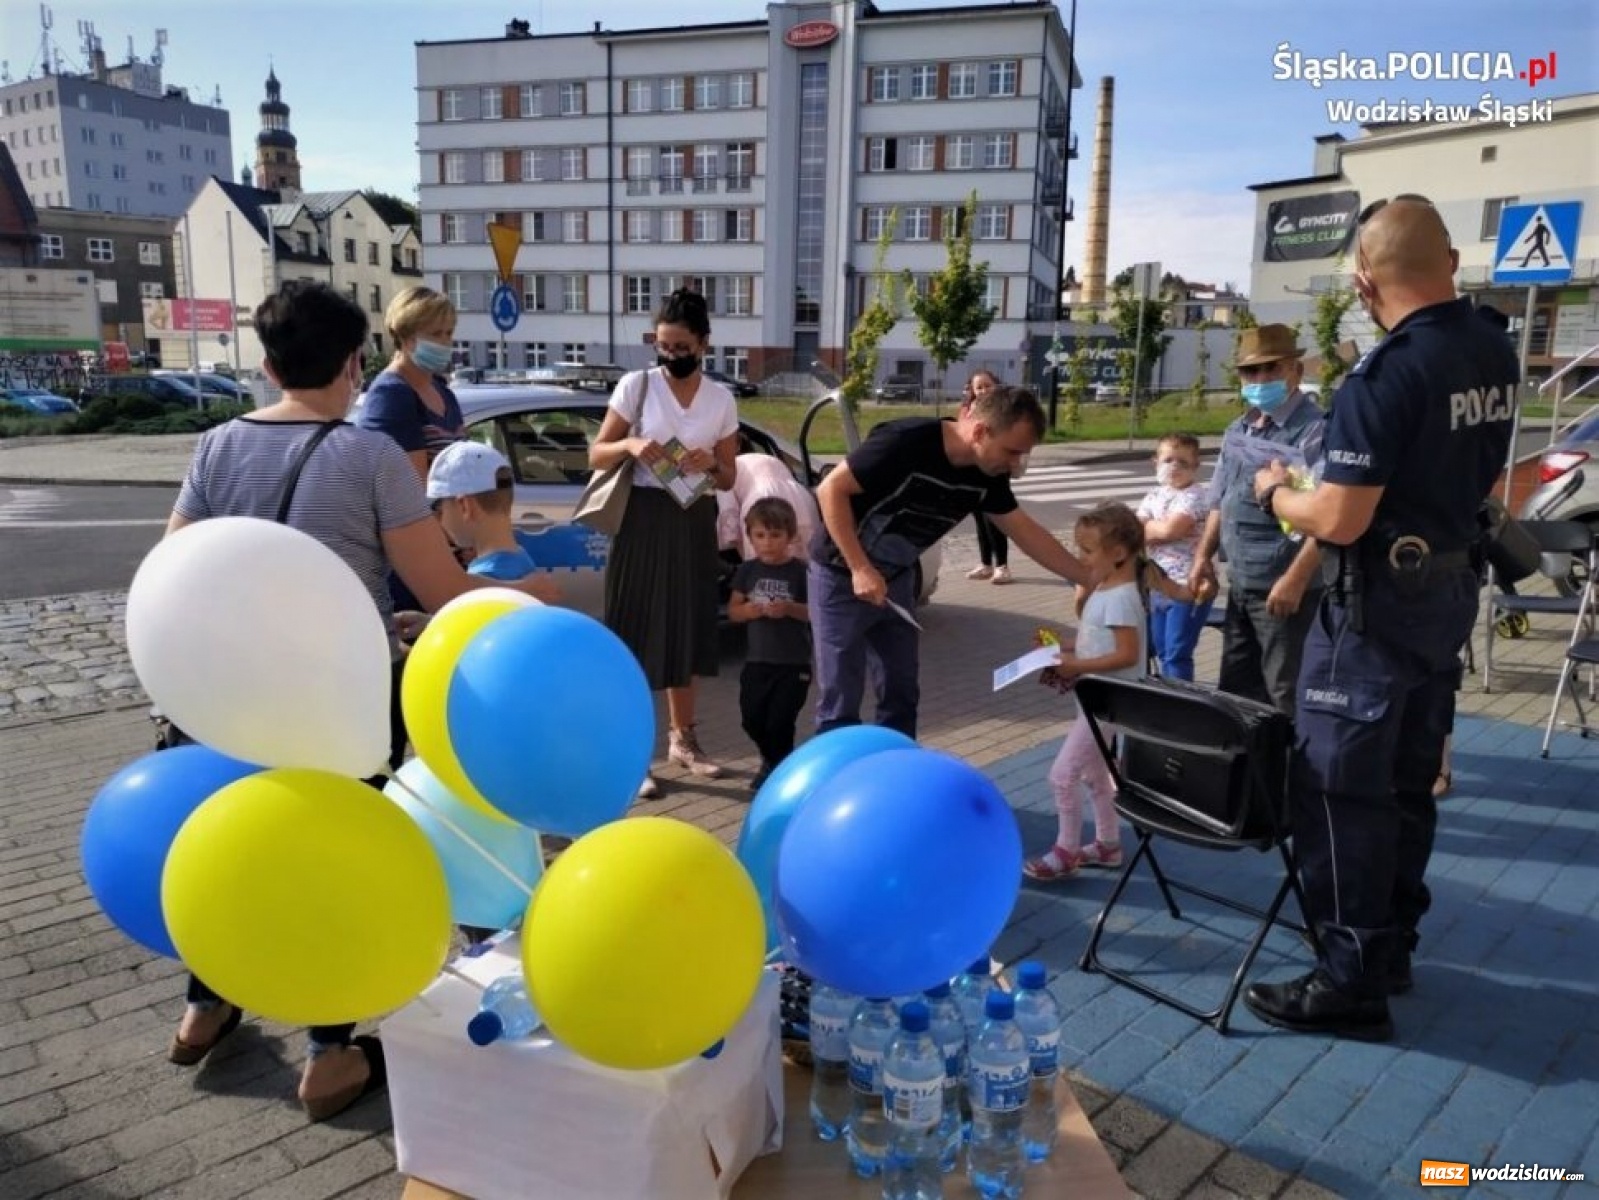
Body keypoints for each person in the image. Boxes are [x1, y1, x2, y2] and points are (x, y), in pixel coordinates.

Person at [163, 281, 556, 1121]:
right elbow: (442, 587)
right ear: (353, 363)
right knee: (334, 862)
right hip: (337, 698)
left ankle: (204, 1006)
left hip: (231, 695)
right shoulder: (367, 455)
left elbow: (177, 571)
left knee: (240, 846)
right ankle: (328, 1054)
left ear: (267, 365)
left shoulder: (213, 448)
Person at [1243, 196, 1517, 1041]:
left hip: (1372, 616)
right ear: (1451, 265)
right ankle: (1391, 945)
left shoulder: (1385, 375)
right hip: (1444, 597)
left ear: (1363, 282)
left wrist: (1275, 493)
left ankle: (1347, 975)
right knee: (1406, 787)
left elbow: (1340, 519)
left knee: (1337, 793)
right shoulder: (1491, 348)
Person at [810, 384, 1091, 737]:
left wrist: (1087, 577)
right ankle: (837, 780)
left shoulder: (988, 475)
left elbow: (1024, 530)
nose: (1016, 464)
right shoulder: (905, 441)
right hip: (840, 572)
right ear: (979, 431)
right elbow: (830, 490)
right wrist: (859, 568)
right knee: (840, 696)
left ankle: (898, 768)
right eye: (1012, 451)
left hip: (895, 578)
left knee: (901, 690)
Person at [589, 289, 740, 797]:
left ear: (704, 344)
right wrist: (630, 443)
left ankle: (685, 740)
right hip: (643, 517)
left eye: (680, 347)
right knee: (633, 630)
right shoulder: (637, 386)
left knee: (686, 628)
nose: (670, 355)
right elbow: (596, 453)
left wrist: (710, 464)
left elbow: (728, 477)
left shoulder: (721, 399)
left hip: (692, 514)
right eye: (663, 345)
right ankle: (633, 754)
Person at [1189, 325, 1326, 718]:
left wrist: (1296, 579)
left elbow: (1327, 517)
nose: (1261, 380)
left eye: (1272, 369)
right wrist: (1204, 556)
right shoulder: (1240, 427)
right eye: (1251, 372)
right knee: (1236, 692)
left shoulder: (1314, 429)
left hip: (1285, 589)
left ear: (1295, 371)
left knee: (1285, 693)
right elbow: (1221, 500)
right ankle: (1249, 777)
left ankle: (1288, 776)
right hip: (1242, 584)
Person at [1023, 504, 1148, 881]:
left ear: (1119, 554)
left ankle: (1067, 850)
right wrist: (1064, 647)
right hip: (1095, 701)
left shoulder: (1123, 597)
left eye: (1088, 551)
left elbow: (1127, 654)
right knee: (1096, 775)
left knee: (1062, 775)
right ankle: (1108, 845)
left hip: (1109, 703)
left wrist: (1074, 666)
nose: (1081, 558)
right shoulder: (1105, 590)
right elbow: (1099, 642)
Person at [729, 497, 812, 793]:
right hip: (757, 662)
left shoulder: (801, 571)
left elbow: (816, 613)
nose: (767, 543)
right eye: (760, 535)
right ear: (750, 536)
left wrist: (789, 608)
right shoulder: (747, 570)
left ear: (790, 537)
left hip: (792, 664)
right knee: (751, 719)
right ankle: (772, 760)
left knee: (780, 723)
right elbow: (733, 610)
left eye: (775, 535)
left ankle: (779, 772)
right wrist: (748, 611)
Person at [356, 286, 466, 479]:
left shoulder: (443, 392)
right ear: (406, 338)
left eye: (449, 333)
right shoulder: (391, 396)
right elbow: (411, 489)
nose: (445, 342)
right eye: (435, 334)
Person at [1137, 433, 1215, 681]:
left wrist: (1153, 529)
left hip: (1188, 584)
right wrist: (1153, 530)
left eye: (1183, 462)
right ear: (1155, 462)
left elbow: (1172, 530)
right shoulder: (1155, 495)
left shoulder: (1195, 496)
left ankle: (1182, 704)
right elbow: (1134, 531)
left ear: (1196, 466)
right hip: (1157, 583)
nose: (1174, 467)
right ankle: (1166, 699)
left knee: (1176, 652)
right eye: (1168, 459)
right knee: (1160, 648)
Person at [426, 441, 537, 580]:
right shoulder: (522, 560)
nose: (438, 519)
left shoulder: (483, 586)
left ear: (464, 506)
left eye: (439, 509)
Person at [962, 371, 1014, 584]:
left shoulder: (1004, 409)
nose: (983, 391)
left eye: (987, 386)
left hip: (995, 468)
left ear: (996, 386)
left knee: (995, 516)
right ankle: (985, 563)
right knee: (979, 517)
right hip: (974, 467)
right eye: (979, 387)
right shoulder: (968, 410)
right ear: (972, 391)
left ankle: (1002, 565)